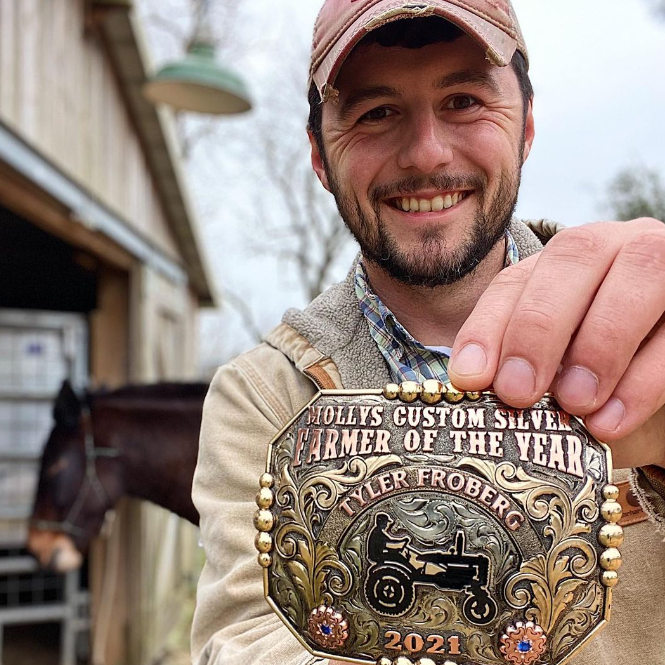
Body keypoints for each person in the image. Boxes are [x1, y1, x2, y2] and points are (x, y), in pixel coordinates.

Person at [190, 1, 665, 664]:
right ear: (321, 158)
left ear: (525, 126)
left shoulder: (645, 333)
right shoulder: (258, 396)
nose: (426, 153)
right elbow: (241, 639)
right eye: (375, 112)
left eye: (464, 99)